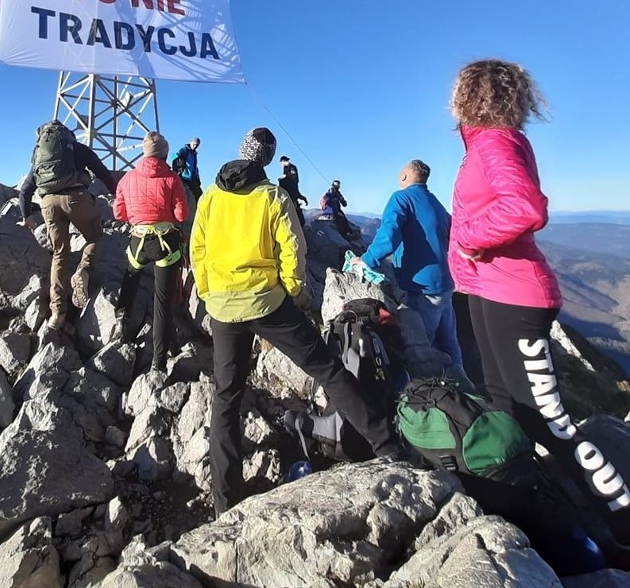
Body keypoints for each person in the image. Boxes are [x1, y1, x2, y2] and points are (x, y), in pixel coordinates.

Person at [448, 59, 630, 548]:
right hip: (489, 290)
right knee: (505, 406)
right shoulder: (483, 143)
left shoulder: (494, 141)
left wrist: (467, 239)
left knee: (549, 418)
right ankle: (531, 508)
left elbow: (526, 205)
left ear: (468, 96)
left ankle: (623, 522)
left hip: (514, 294)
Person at [191, 126, 402, 516]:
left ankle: (225, 502)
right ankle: (387, 448)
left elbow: (198, 248)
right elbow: (293, 252)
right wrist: (297, 296)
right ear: (267, 159)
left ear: (240, 151)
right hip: (269, 303)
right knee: (329, 370)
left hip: (221, 307)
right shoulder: (272, 195)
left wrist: (207, 292)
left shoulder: (210, 197)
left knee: (226, 397)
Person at [350, 160, 464, 371]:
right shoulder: (434, 202)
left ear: (403, 176)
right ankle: (463, 386)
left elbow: (389, 235)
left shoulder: (401, 198)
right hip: (446, 283)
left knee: (421, 347)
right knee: (449, 342)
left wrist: (366, 260)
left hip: (422, 287)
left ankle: (430, 394)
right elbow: (454, 236)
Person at [19, 121, 117, 331]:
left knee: (59, 254)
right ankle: (83, 269)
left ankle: (57, 314)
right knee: (94, 237)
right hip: (76, 198)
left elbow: (25, 190)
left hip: (48, 204)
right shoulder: (77, 149)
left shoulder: (40, 156)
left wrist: (26, 216)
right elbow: (102, 172)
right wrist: (118, 194)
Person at [113, 131, 188, 374]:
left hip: (137, 242)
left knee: (130, 279)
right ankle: (159, 359)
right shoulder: (172, 178)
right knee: (162, 302)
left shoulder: (127, 178)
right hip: (165, 243)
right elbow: (181, 216)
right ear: (164, 153)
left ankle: (121, 325)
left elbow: (118, 214)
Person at [278, 156, 308, 224]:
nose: (281, 164)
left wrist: (285, 177)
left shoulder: (292, 167)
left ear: (284, 161)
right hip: (288, 192)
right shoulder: (285, 168)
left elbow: (293, 179)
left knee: (295, 213)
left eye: (282, 162)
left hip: (292, 192)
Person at [171, 137, 202, 202]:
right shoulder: (185, 150)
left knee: (199, 194)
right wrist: (178, 156)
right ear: (190, 142)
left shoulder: (194, 154)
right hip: (184, 176)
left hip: (192, 178)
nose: (195, 146)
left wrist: (197, 178)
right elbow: (173, 157)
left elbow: (194, 167)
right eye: (194, 144)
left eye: (197, 145)